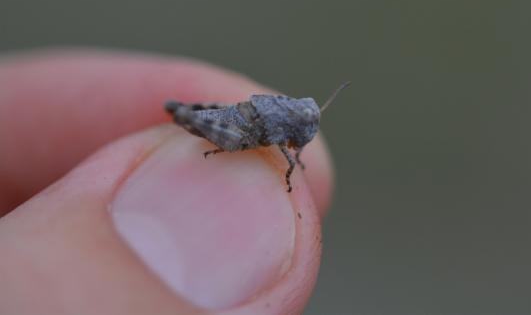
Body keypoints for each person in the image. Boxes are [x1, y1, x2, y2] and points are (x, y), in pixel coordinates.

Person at [0, 50, 334, 314]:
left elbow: (294, 147)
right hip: (233, 129)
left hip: (247, 120)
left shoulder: (284, 120)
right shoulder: (277, 125)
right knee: (209, 123)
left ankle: (186, 116)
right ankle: (185, 116)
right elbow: (290, 154)